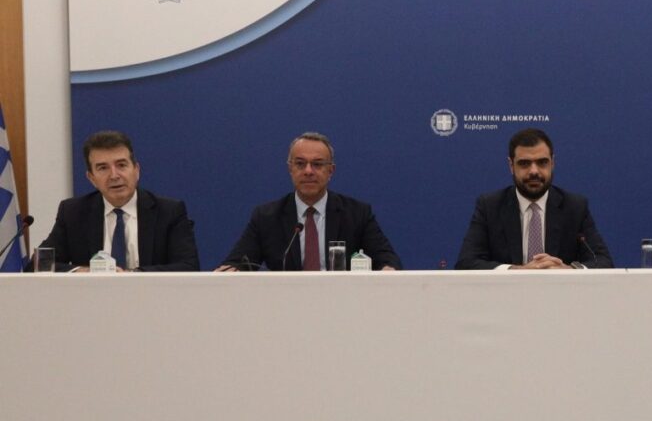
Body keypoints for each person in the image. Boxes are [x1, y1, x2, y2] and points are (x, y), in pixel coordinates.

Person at [217, 132, 401, 271]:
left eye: (317, 164)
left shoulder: (357, 214)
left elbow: (387, 260)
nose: (308, 171)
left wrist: (388, 269)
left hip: (342, 303)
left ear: (331, 171)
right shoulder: (267, 217)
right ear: (290, 169)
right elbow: (237, 263)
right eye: (300, 164)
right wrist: (228, 272)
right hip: (285, 304)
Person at [33, 130, 200, 272]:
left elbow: (188, 266)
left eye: (121, 165)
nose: (114, 175)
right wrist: (82, 271)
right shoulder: (73, 212)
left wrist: (132, 275)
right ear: (91, 178)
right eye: (103, 168)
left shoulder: (169, 212)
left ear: (136, 170)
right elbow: (38, 264)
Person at [455, 128, 613, 270]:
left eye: (542, 162)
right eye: (524, 163)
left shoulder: (575, 207)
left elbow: (602, 261)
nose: (534, 171)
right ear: (511, 166)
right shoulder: (490, 206)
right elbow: (466, 262)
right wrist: (517, 271)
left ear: (552, 163)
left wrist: (568, 271)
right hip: (508, 292)